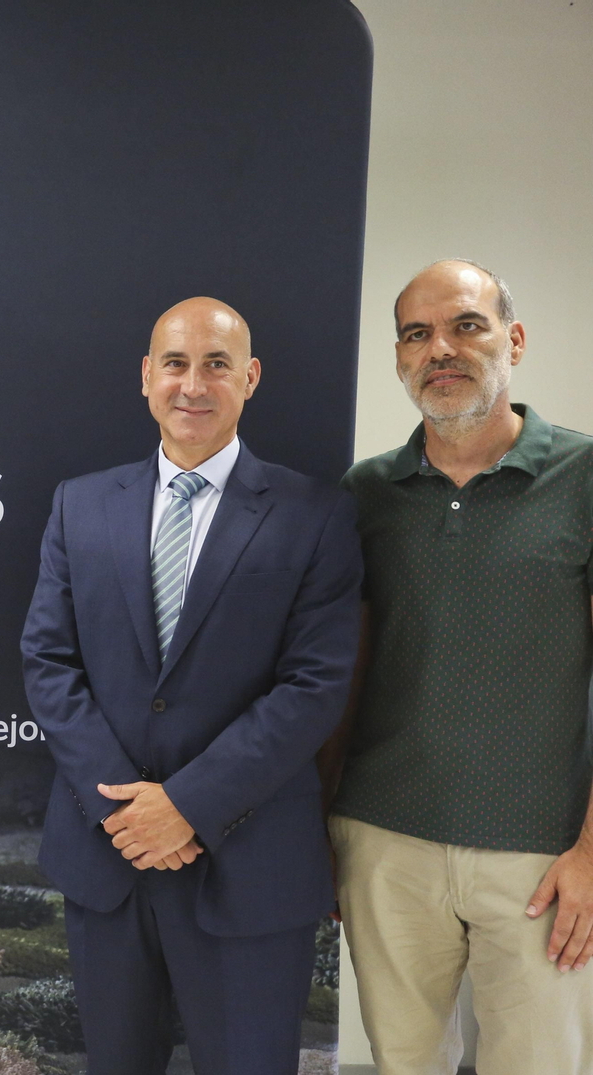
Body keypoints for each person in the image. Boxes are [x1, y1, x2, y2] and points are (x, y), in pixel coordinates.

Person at [21, 297, 362, 1074]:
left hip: (249, 866)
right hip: (108, 860)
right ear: (147, 377)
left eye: (217, 363)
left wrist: (186, 806)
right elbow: (48, 660)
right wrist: (127, 812)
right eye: (175, 363)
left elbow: (314, 685)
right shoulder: (80, 505)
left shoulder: (317, 514)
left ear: (251, 377)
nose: (193, 384)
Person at [325, 259, 593, 1074]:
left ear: (512, 339)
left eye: (466, 325)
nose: (441, 348)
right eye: (417, 334)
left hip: (542, 857)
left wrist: (592, 849)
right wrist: (323, 828)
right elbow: (341, 674)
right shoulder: (364, 493)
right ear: (401, 359)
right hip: (382, 841)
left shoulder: (583, 478)